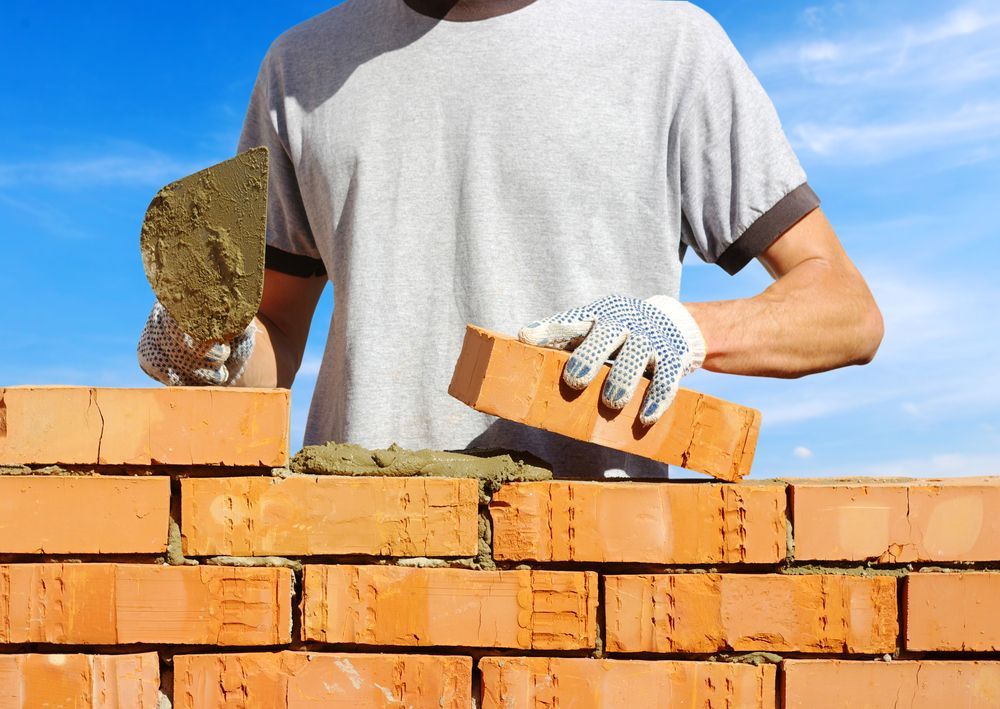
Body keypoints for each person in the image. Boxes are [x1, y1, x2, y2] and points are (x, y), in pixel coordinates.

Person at [138, 0, 883, 478]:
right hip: (357, 571)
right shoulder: (301, 70)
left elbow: (845, 311)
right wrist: (215, 347)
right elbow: (273, 335)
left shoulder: (670, 46)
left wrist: (682, 329)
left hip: (593, 582)